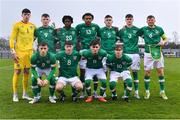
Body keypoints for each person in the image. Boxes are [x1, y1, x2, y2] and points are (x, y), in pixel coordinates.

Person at [137, 15, 168, 100]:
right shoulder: (143, 29)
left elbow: (165, 38)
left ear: (155, 20)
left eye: (152, 20)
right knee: (147, 73)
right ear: (147, 21)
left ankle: (162, 91)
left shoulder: (159, 29)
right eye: (149, 20)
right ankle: (147, 91)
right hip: (148, 53)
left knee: (160, 72)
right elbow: (136, 33)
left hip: (158, 52)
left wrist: (164, 42)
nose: (150, 21)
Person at [9, 8, 36, 102]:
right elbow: (12, 38)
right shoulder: (17, 25)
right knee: (17, 72)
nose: (26, 16)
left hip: (29, 52)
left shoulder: (33, 26)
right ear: (22, 15)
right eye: (25, 14)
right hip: (19, 52)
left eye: (28, 14)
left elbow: (36, 36)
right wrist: (13, 52)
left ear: (30, 15)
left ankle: (25, 93)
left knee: (27, 72)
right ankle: (15, 94)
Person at [76, 13, 100, 98]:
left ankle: (94, 92)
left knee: (95, 71)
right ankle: (83, 92)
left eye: (90, 18)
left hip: (93, 50)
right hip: (84, 51)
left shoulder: (96, 26)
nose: (88, 20)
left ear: (92, 19)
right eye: (86, 18)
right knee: (82, 72)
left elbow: (100, 37)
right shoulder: (79, 26)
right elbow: (75, 36)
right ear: (83, 19)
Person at [118, 14, 141, 99]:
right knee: (125, 74)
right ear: (125, 20)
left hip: (135, 54)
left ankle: (136, 92)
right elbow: (117, 39)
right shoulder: (122, 30)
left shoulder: (137, 30)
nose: (129, 20)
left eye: (130, 19)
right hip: (126, 54)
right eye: (127, 19)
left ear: (133, 20)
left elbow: (145, 36)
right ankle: (125, 92)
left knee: (135, 73)